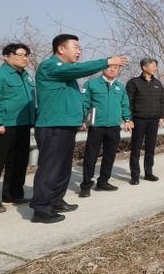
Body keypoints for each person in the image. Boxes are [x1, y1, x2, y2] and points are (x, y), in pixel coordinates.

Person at [30, 33, 127, 223]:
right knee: (50, 168)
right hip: (53, 125)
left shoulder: (66, 72)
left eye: (79, 48)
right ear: (61, 48)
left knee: (63, 167)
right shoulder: (50, 66)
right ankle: (41, 209)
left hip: (66, 125)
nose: (79, 51)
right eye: (75, 47)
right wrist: (107, 61)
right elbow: (79, 69)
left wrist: (81, 120)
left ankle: (56, 201)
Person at [0, 43, 36, 213]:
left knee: (18, 163)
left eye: (26, 55)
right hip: (2, 126)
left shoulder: (26, 77)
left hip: (23, 126)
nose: (24, 58)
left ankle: (13, 194)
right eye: (20, 55)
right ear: (6, 56)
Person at [79, 64, 133, 198]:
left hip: (114, 126)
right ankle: (86, 185)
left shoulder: (120, 86)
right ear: (103, 68)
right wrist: (83, 120)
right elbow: (84, 103)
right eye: (110, 67)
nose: (113, 69)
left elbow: (124, 104)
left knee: (110, 156)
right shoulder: (91, 84)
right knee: (91, 156)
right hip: (96, 126)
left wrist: (127, 119)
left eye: (116, 67)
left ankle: (103, 182)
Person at [126, 57, 164, 185]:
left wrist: (161, 117)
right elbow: (129, 102)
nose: (155, 68)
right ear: (144, 67)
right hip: (139, 120)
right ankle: (135, 175)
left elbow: (162, 101)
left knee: (150, 148)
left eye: (156, 66)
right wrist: (129, 119)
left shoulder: (157, 83)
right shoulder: (134, 82)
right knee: (136, 148)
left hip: (153, 121)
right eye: (153, 66)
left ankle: (148, 173)